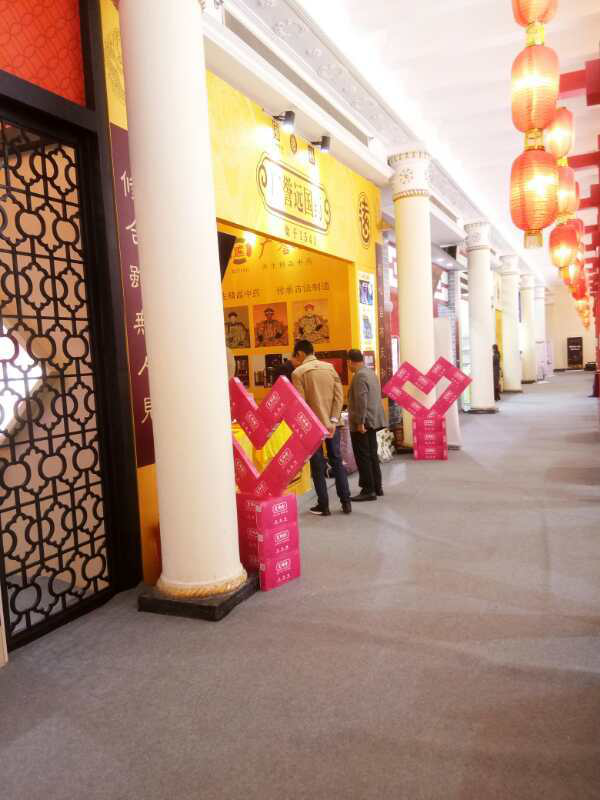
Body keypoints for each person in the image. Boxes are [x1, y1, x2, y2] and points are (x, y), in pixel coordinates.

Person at [292, 340, 351, 516]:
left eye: (295, 356)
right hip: (333, 424)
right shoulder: (330, 368)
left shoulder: (298, 373)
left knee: (317, 465)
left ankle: (323, 505)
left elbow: (301, 404)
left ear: (300, 353)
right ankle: (346, 502)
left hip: (312, 427)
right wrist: (332, 420)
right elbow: (339, 397)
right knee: (337, 460)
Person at [347, 349, 386, 501]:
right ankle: (377, 487)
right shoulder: (370, 373)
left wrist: (360, 422)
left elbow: (361, 401)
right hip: (373, 420)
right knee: (372, 454)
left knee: (363, 456)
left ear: (350, 362)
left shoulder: (359, 376)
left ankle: (368, 490)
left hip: (364, 423)